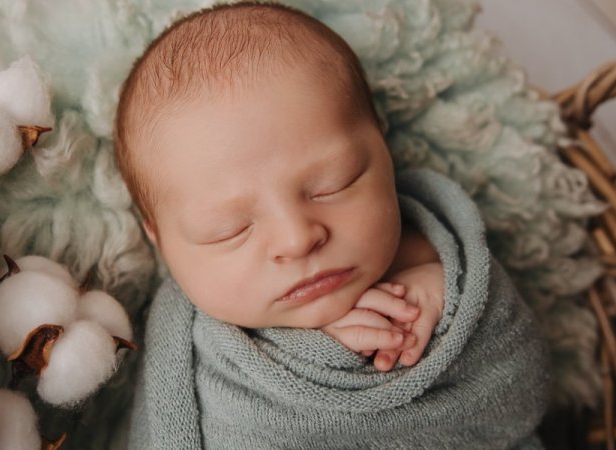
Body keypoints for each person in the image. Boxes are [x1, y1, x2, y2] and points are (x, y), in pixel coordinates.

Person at [114, 2, 550, 449]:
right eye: (230, 229)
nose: (298, 238)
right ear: (161, 240)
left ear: (383, 146)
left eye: (332, 184)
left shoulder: (448, 269)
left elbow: (521, 392)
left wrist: (447, 304)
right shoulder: (186, 348)